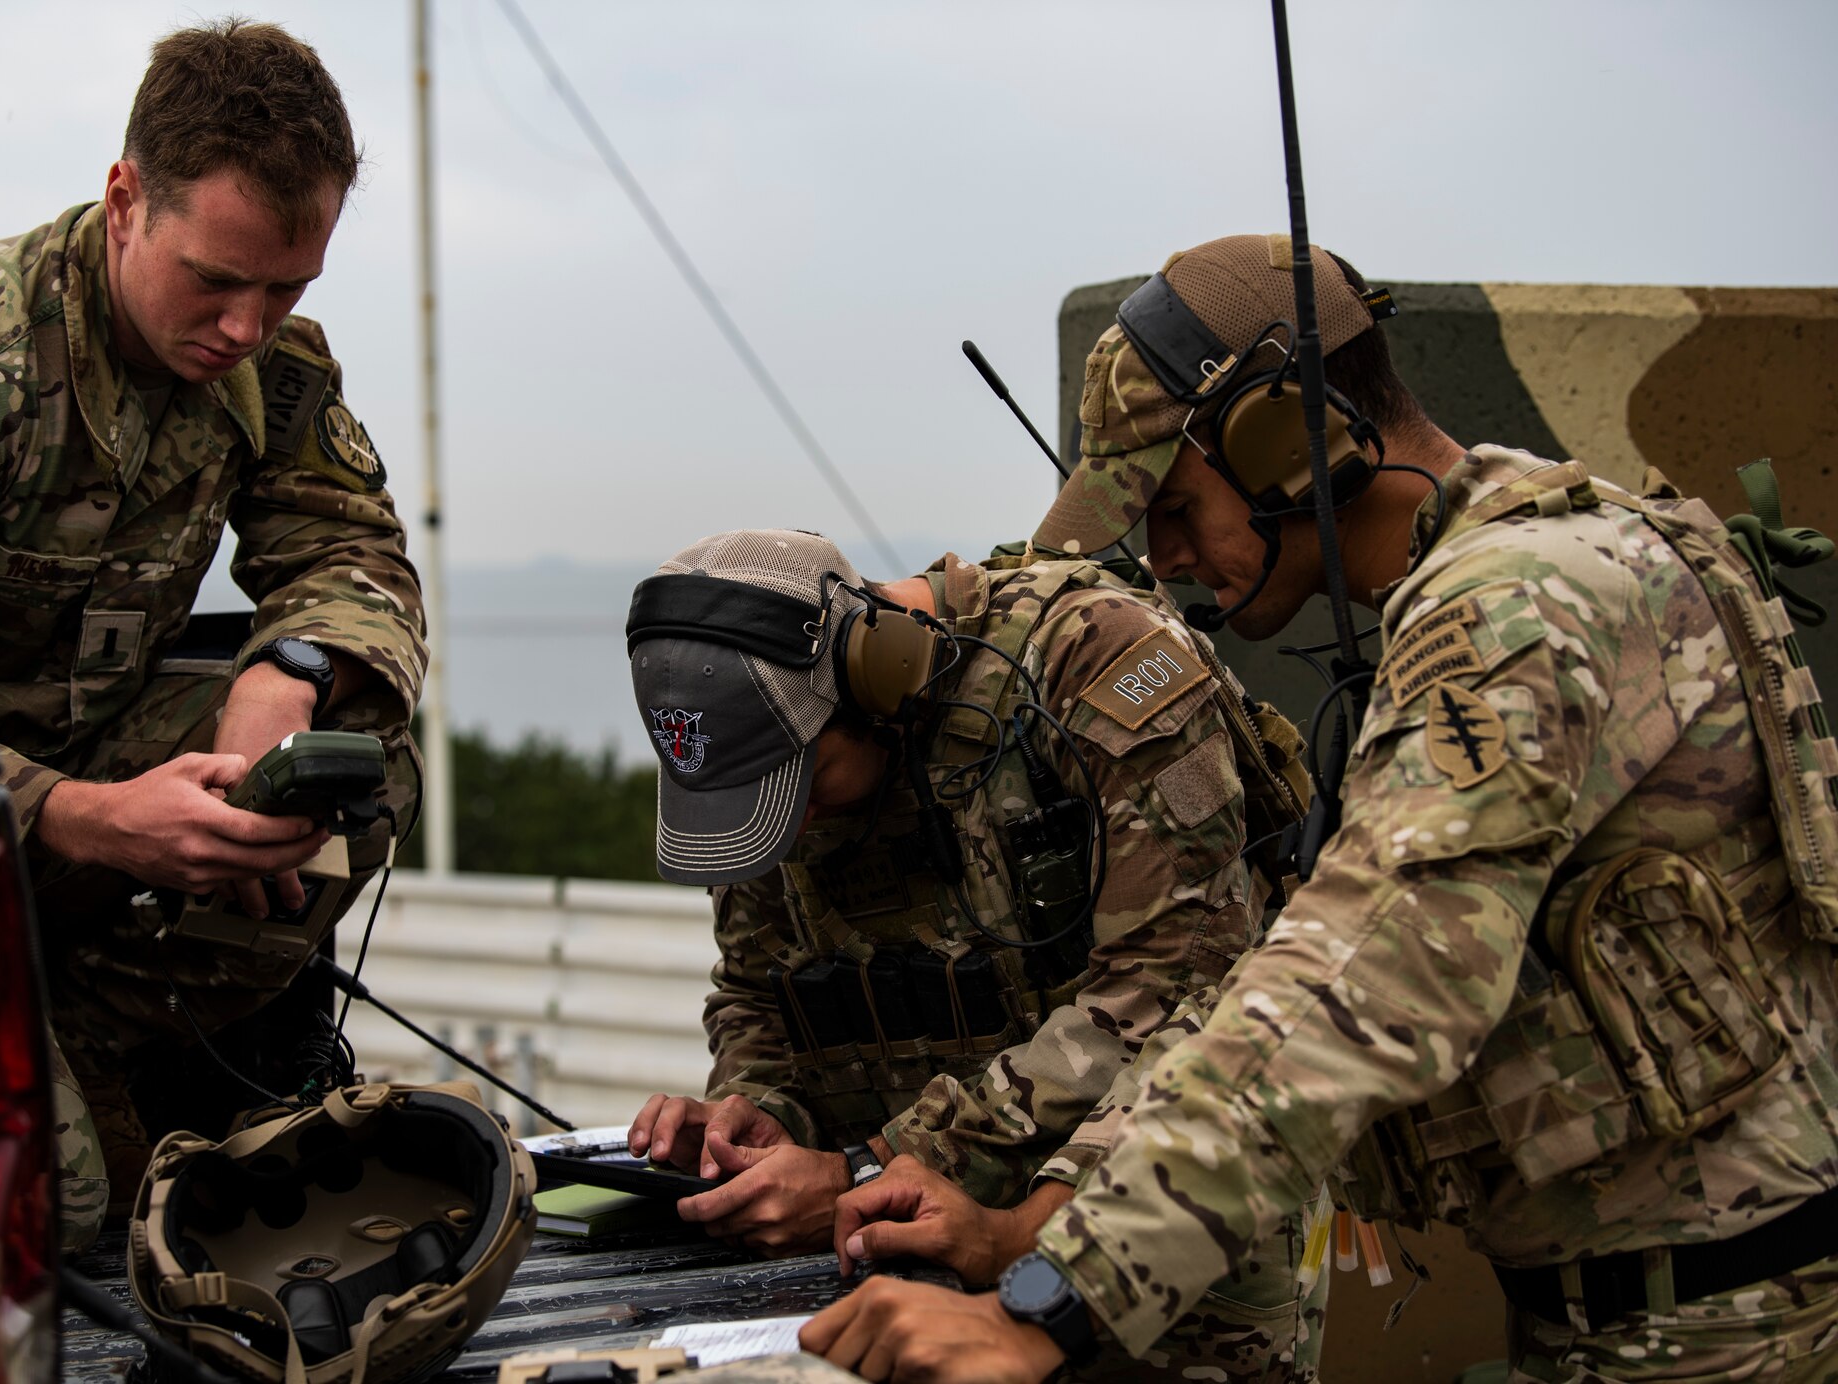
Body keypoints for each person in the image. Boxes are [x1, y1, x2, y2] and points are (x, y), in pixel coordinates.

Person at [801, 234, 1838, 1383]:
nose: (1161, 554)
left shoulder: (1513, 609)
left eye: (1174, 502)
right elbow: (1273, 977)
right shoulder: (1506, 573)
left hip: (1716, 1324)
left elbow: (1362, 981)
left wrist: (1050, 1307)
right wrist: (1028, 1227)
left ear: (1286, 443)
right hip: (1650, 1306)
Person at [0, 20, 425, 1253]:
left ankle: (78, 1045)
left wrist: (287, 678)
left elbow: (349, 551)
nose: (248, 326)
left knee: (358, 759)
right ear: (124, 200)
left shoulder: (265, 364)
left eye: (288, 288)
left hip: (69, 830)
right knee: (49, 1217)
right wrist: (86, 817)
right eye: (215, 280)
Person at [624, 527, 1322, 1380]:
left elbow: (1176, 984)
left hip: (1140, 1248)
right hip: (882, 1261)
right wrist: (763, 1115)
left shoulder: (1091, 659)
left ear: (877, 682)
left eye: (805, 787)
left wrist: (870, 1166)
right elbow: (756, 991)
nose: (795, 824)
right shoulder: (770, 747)